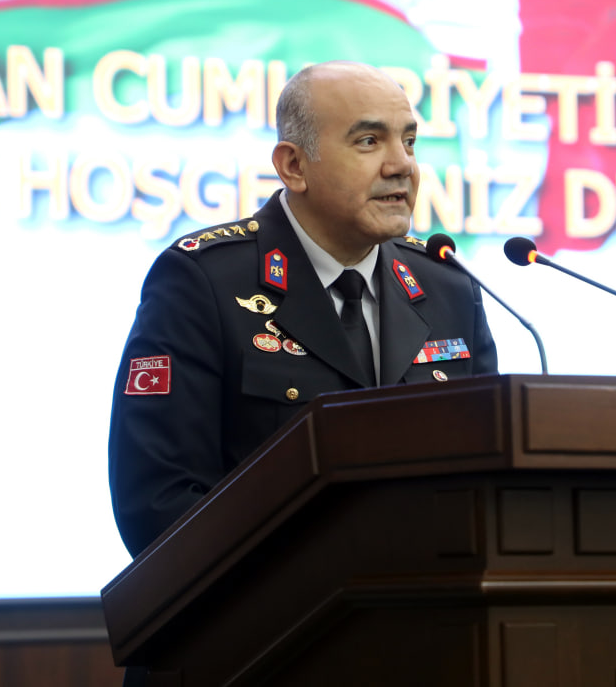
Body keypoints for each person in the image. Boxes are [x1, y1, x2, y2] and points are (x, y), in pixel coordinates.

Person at [108, 61, 499, 557]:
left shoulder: (447, 286)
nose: (402, 165)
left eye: (409, 141)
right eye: (369, 141)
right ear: (294, 166)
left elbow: (489, 475)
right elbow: (158, 500)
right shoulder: (204, 282)